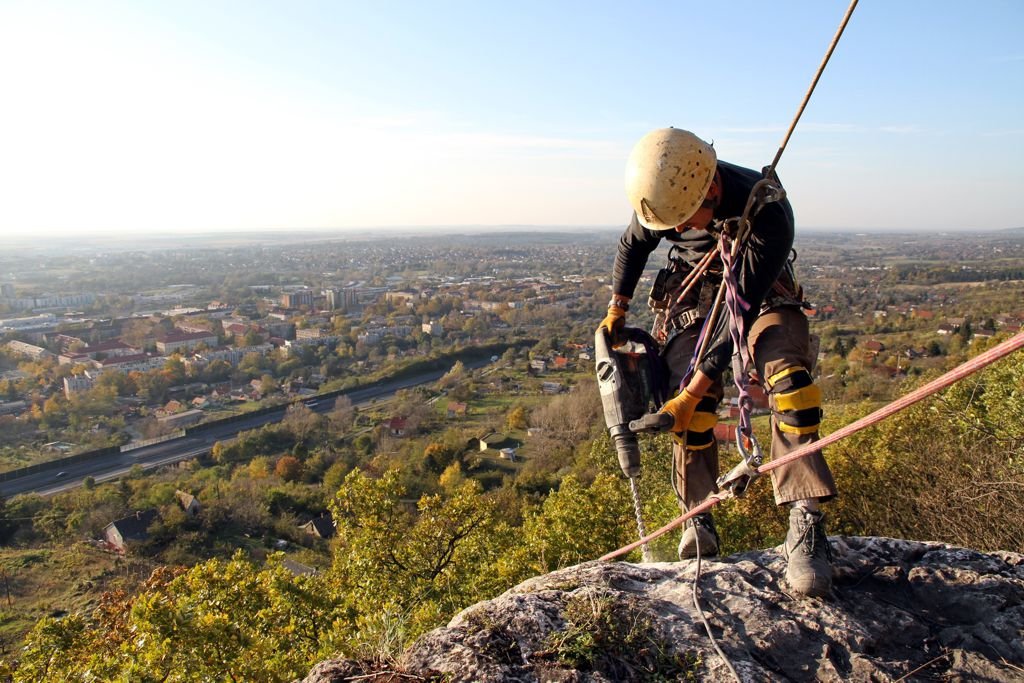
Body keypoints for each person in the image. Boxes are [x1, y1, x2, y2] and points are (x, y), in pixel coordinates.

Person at [599, 128, 837, 597]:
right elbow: (633, 244)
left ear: (709, 190)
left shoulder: (766, 211)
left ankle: (805, 520)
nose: (675, 231)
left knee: (790, 383)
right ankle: (697, 519)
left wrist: (692, 391)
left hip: (759, 294)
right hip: (693, 295)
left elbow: (738, 312)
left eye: (685, 222)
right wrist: (617, 307)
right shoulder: (665, 192)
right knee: (690, 409)